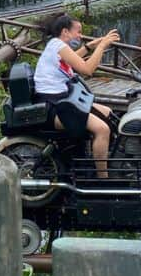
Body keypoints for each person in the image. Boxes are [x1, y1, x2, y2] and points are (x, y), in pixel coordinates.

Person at [33, 12, 120, 177]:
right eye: (77, 31)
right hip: (53, 105)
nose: (80, 35)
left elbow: (70, 60)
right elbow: (87, 69)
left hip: (62, 99)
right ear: (65, 32)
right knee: (102, 129)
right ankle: (104, 178)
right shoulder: (58, 46)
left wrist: (89, 47)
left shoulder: (56, 45)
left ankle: (105, 158)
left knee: (108, 113)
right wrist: (101, 47)